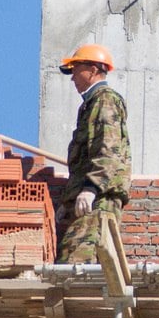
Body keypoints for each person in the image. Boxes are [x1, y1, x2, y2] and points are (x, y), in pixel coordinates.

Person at [57, 44, 131, 263]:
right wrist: (68, 201)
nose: (72, 78)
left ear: (92, 69)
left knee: (76, 266)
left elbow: (109, 148)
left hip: (99, 200)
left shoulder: (104, 99)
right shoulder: (92, 103)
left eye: (76, 69)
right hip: (93, 199)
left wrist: (91, 189)